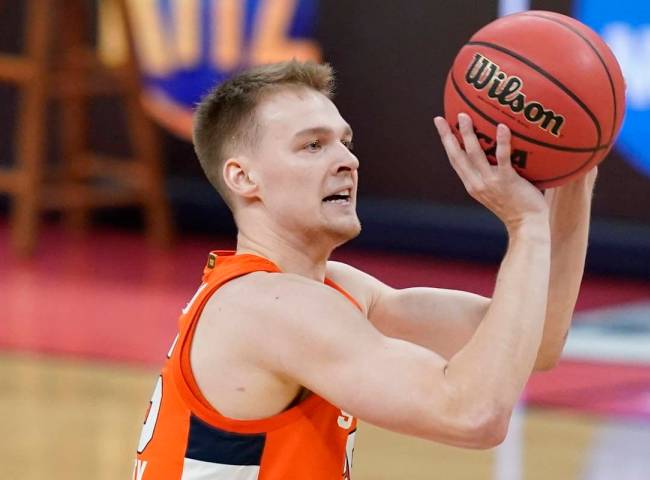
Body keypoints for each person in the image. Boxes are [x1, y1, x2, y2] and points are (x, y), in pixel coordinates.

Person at [132, 60, 595, 480]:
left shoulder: (332, 289)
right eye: (313, 145)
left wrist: (575, 175)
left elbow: (537, 339)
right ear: (243, 177)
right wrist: (524, 224)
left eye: (345, 142)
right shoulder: (267, 308)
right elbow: (471, 416)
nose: (347, 161)